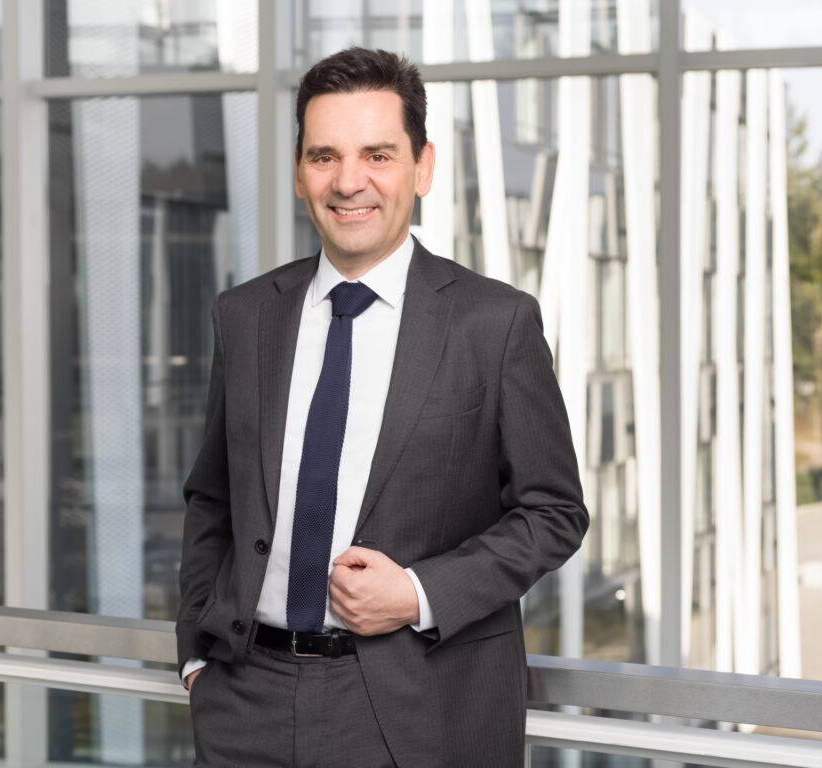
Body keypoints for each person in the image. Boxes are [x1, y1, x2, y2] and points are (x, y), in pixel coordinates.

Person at [177, 46, 588, 768]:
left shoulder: (495, 324)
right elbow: (213, 500)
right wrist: (196, 659)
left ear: (422, 167)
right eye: (324, 156)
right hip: (245, 703)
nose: (349, 182)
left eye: (377, 154)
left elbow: (554, 513)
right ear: (301, 174)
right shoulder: (244, 317)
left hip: (416, 707)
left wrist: (420, 592)